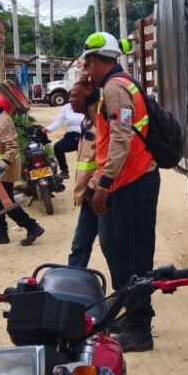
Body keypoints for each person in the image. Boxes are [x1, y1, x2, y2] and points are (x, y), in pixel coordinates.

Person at [82, 31, 160, 352]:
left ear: (99, 59)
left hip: (132, 183)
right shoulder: (120, 84)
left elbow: (121, 138)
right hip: (130, 181)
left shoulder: (115, 88)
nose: (86, 68)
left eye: (88, 61)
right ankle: (133, 314)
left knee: (134, 256)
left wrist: (104, 184)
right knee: (121, 251)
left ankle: (140, 330)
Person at [0, 90, 45, 246]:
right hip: (4, 166)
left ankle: (31, 227)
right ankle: (1, 232)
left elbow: (12, 148)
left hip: (6, 168)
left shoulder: (2, 122)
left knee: (4, 202)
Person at [68, 80, 101, 268]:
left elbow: (108, 158)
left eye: (74, 95)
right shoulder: (86, 122)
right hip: (90, 194)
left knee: (113, 247)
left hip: (101, 193)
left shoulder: (100, 122)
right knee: (80, 245)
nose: (70, 100)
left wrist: (94, 186)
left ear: (88, 96)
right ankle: (70, 284)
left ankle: (127, 290)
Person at [43, 95, 86, 179]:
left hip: (84, 136)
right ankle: (64, 171)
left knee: (83, 160)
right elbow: (58, 121)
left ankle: (86, 177)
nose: (72, 99)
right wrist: (47, 128)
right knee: (58, 147)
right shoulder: (66, 108)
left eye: (75, 96)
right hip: (71, 136)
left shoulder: (86, 106)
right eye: (71, 96)